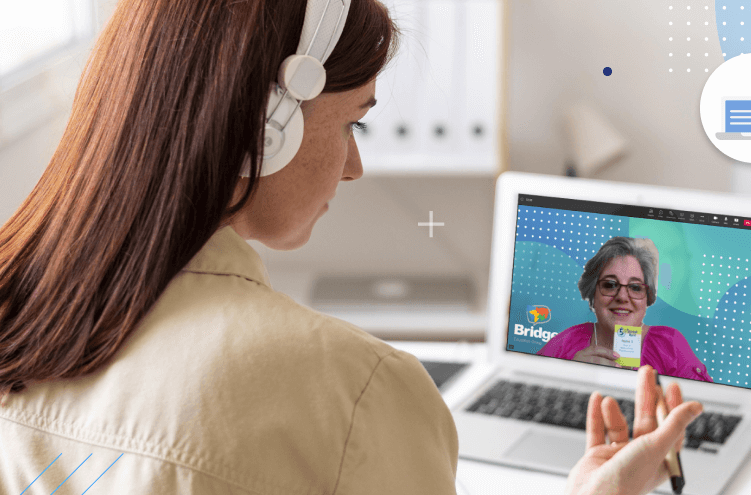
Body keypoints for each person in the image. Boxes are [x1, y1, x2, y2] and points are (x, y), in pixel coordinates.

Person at [0, 1, 702, 493]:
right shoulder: (357, 392)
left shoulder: (20, 310)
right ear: (265, 125)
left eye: (634, 286)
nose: (353, 167)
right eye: (351, 124)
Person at [538, 237, 713, 382]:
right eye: (610, 285)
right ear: (593, 293)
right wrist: (568, 376)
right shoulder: (565, 344)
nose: (622, 296)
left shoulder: (670, 346)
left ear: (647, 297)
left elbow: (703, 405)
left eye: (635, 287)